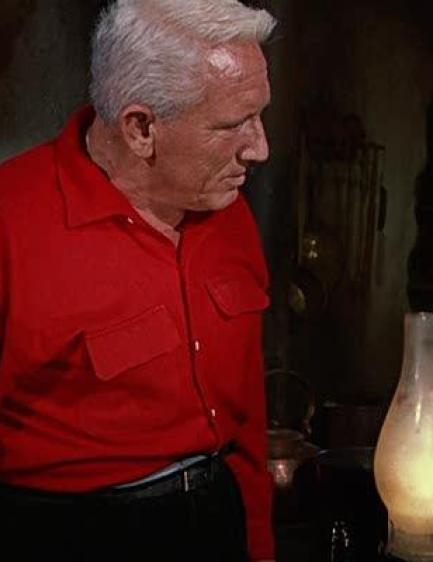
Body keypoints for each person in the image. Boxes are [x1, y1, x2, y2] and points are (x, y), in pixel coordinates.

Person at [0, 1, 277, 561]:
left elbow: (248, 420)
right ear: (141, 128)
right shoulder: (11, 220)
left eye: (259, 115)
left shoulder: (230, 213)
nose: (260, 148)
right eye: (232, 125)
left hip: (216, 519)